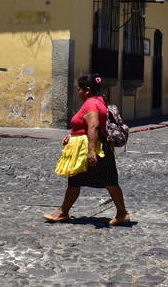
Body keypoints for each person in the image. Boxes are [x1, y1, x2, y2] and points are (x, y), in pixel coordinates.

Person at [43, 74, 131, 226]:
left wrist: (91, 151)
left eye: (79, 89)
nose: (78, 92)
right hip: (90, 146)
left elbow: (93, 126)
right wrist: (72, 135)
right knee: (76, 180)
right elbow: (84, 126)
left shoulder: (91, 104)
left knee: (109, 181)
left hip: (93, 148)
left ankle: (122, 213)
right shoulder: (99, 101)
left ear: (87, 90)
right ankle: (63, 212)